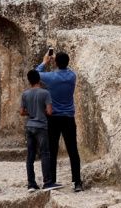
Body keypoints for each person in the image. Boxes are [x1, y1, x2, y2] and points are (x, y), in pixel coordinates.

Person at [36, 51, 83, 192]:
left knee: (52, 150)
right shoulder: (72, 76)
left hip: (53, 118)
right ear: (67, 63)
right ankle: (77, 182)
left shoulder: (51, 77)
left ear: (55, 62)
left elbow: (34, 74)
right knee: (73, 150)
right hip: (68, 118)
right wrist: (58, 60)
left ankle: (52, 181)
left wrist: (45, 62)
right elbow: (67, 68)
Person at [20, 70, 62, 191]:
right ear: (39, 79)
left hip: (29, 126)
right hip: (41, 126)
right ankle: (47, 182)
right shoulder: (45, 93)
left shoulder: (25, 94)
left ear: (29, 81)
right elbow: (49, 111)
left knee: (30, 156)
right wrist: (40, 112)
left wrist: (31, 112)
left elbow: (22, 112)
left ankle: (31, 184)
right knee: (45, 154)